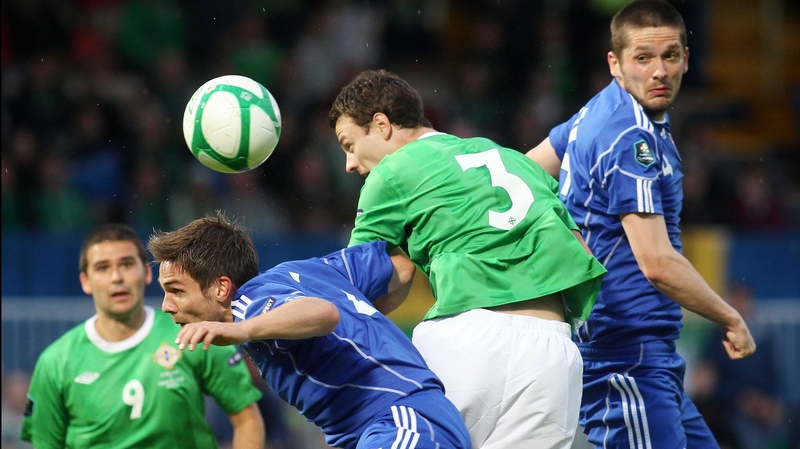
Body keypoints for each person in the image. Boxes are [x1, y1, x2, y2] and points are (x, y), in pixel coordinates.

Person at [328, 69, 607, 448]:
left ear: (381, 125)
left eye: (348, 145)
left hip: (467, 340)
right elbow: (580, 249)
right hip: (553, 353)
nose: (350, 163)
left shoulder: (391, 173)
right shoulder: (515, 160)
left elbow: (363, 284)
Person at [525, 1, 757, 448]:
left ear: (687, 58)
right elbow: (656, 262)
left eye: (670, 55)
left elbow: (525, 174)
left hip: (644, 357)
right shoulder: (630, 138)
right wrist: (729, 317)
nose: (659, 71)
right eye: (643, 58)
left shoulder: (596, 112)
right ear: (615, 63)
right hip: (623, 356)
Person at [147, 212, 472, 449]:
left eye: (176, 290)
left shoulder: (249, 304)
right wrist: (362, 321)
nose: (166, 305)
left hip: (399, 420)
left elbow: (323, 313)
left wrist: (240, 331)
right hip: (402, 424)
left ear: (221, 288)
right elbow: (400, 267)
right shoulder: (301, 271)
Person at [21, 223, 265, 449]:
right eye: (103, 268)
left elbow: (247, 420)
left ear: (147, 274)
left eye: (127, 264)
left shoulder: (195, 332)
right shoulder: (55, 362)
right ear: (85, 282)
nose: (117, 277)